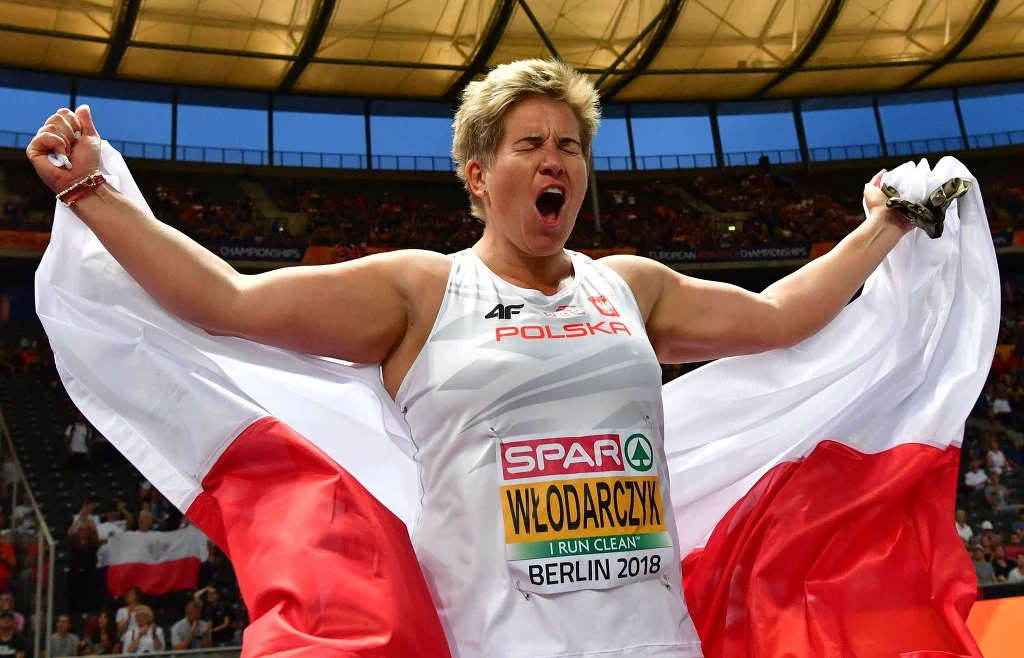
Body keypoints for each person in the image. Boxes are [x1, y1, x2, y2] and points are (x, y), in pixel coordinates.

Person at [26, 59, 915, 657]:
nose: (555, 160)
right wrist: (92, 191)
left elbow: (781, 317)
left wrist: (887, 224)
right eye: (530, 145)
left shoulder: (630, 287)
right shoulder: (420, 291)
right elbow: (226, 302)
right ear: (479, 175)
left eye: (570, 145)